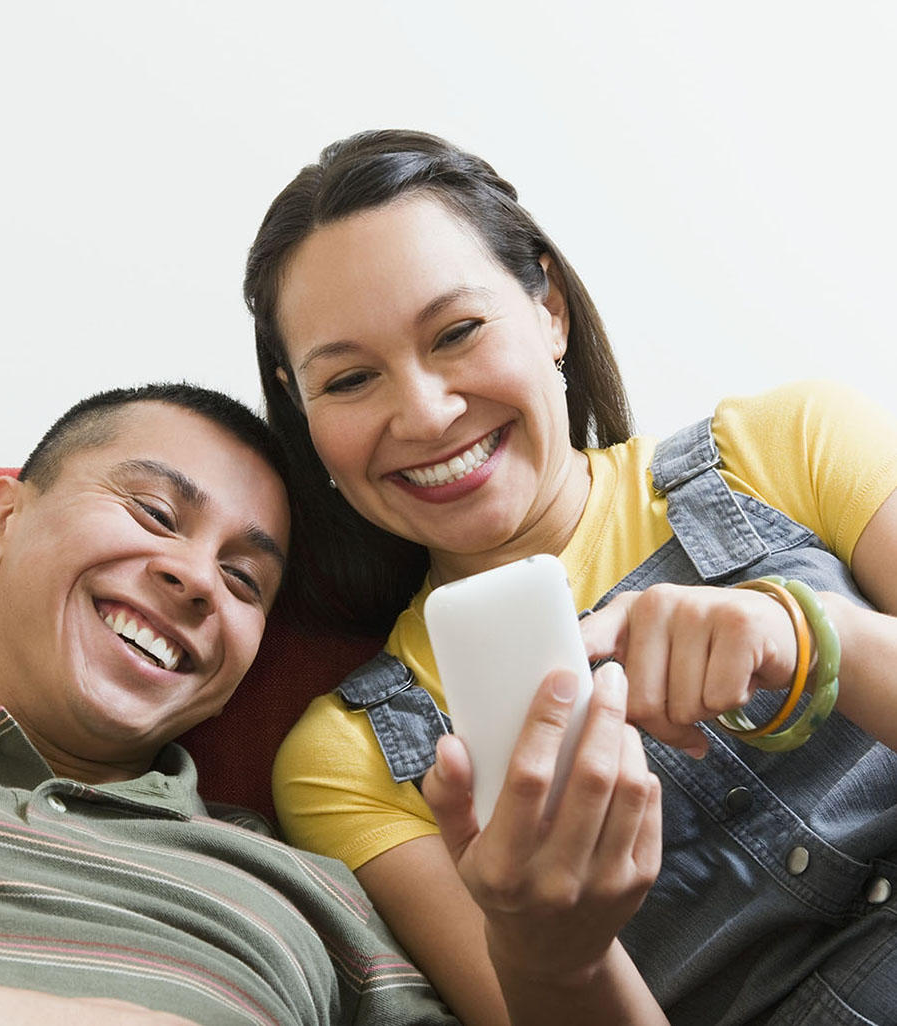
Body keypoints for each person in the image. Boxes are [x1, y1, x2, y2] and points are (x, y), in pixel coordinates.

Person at [244, 129, 897, 1026]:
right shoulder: (344, 760)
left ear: (549, 308)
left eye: (458, 332)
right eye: (351, 379)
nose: (427, 414)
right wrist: (555, 955)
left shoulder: (790, 443)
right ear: (301, 408)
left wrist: (819, 638)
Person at [0, 382, 459, 1025]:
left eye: (244, 580)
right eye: (154, 513)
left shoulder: (308, 891)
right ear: (0, 521)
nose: (201, 579)